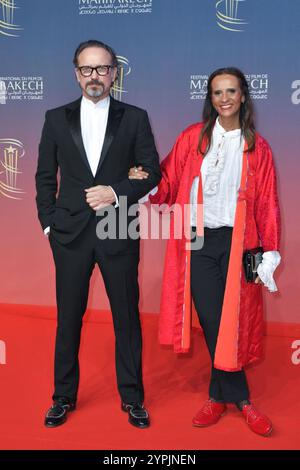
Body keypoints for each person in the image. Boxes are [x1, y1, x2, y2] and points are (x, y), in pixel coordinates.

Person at [128, 67, 281, 436]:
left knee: (235, 321)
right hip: (197, 242)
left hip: (240, 243)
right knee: (214, 321)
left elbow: (267, 204)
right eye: (217, 92)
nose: (224, 98)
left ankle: (219, 397)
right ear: (209, 98)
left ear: (243, 96)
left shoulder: (257, 147)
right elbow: (166, 180)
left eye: (231, 91)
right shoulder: (192, 139)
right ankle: (241, 400)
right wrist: (144, 182)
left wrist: (270, 251)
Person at [35, 39, 161, 429]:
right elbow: (44, 177)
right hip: (69, 233)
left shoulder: (135, 117)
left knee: (126, 317)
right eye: (87, 69)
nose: (95, 76)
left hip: (118, 228)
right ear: (76, 73)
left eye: (102, 69)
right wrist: (49, 223)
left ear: (114, 73)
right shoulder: (55, 118)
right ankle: (62, 396)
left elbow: (152, 173)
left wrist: (116, 191)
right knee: (68, 317)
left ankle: (132, 397)